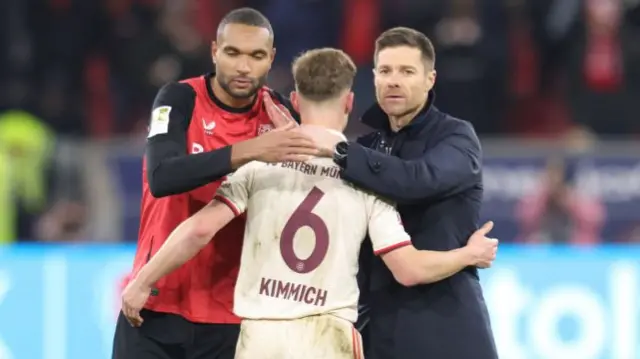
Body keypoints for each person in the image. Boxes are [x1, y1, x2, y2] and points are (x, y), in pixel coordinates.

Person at [121, 48, 499, 359]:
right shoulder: (366, 176)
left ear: (296, 100)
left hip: (261, 337)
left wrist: (143, 282)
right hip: (327, 336)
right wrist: (468, 255)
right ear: (350, 101)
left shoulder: (260, 163)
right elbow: (407, 269)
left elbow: (200, 229)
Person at [112, 8, 318, 359]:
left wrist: (302, 147)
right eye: (232, 53)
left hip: (231, 318)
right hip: (155, 306)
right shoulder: (179, 99)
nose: (243, 67)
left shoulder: (280, 118)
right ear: (214, 52)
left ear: (271, 59)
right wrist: (253, 149)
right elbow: (163, 177)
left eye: (255, 56)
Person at [324, 27, 500, 359]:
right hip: (380, 330)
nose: (394, 80)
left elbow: (416, 180)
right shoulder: (367, 147)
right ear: (373, 77)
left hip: (446, 327)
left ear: (430, 79)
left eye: (407, 71)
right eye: (386, 71)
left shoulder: (456, 137)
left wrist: (340, 150)